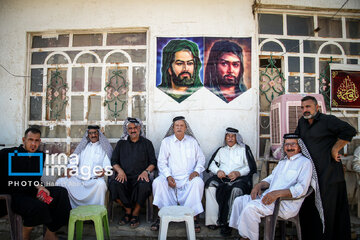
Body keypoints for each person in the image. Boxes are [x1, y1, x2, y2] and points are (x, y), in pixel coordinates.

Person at [229, 134, 324, 240]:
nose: (289, 147)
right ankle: (244, 234)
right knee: (239, 201)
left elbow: (301, 188)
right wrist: (258, 185)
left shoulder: (304, 163)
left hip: (285, 203)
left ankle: (249, 238)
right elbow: (270, 179)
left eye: (293, 144)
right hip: (269, 198)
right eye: (287, 144)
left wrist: (277, 194)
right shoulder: (282, 162)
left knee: (251, 208)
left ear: (300, 147)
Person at [295, 95, 357, 240]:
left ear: (317, 107)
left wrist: (335, 149)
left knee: (328, 209)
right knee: (310, 208)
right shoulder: (302, 123)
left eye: (308, 106)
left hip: (328, 174)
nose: (305, 110)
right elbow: (297, 140)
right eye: (302, 107)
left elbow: (350, 131)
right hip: (310, 173)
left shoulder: (328, 120)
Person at [0, 127, 71, 240]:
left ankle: (50, 233)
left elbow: (34, 178)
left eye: (36, 140)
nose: (33, 143)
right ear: (24, 140)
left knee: (61, 193)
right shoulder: (8, 153)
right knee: (39, 207)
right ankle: (25, 233)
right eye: (30, 140)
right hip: (15, 195)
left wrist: (40, 188)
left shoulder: (40, 156)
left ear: (40, 141)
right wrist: (40, 187)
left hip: (31, 191)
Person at [151, 116, 205, 232]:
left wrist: (196, 171)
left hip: (188, 178)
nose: (179, 128)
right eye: (177, 126)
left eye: (181, 126)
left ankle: (193, 217)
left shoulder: (192, 141)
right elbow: (161, 162)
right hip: (171, 178)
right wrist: (168, 176)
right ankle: (161, 215)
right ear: (173, 128)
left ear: (185, 128)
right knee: (157, 182)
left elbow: (201, 159)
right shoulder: (166, 142)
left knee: (198, 182)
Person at [205, 127, 257, 236]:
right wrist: (218, 171)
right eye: (228, 136)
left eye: (232, 136)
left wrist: (238, 173)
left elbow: (249, 167)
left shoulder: (243, 149)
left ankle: (229, 222)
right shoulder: (221, 150)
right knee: (210, 185)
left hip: (239, 178)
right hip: (223, 178)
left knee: (236, 189)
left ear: (237, 137)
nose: (230, 138)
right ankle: (213, 221)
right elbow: (212, 165)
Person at [109, 117, 157, 228]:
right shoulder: (121, 144)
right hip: (124, 177)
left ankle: (135, 213)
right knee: (114, 185)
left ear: (139, 128)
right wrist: (120, 171)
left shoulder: (147, 143)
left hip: (140, 177)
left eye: (135, 127)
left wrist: (146, 172)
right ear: (127, 130)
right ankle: (128, 209)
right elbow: (114, 161)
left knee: (145, 185)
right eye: (130, 128)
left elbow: (153, 162)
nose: (133, 130)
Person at [55, 125, 112, 208]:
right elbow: (74, 159)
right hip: (79, 178)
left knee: (101, 184)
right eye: (90, 133)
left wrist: (104, 170)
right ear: (88, 135)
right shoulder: (83, 147)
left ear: (99, 134)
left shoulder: (104, 148)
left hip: (93, 180)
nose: (93, 135)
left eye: (95, 133)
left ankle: (98, 211)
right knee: (60, 182)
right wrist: (70, 168)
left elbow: (107, 163)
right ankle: (68, 210)